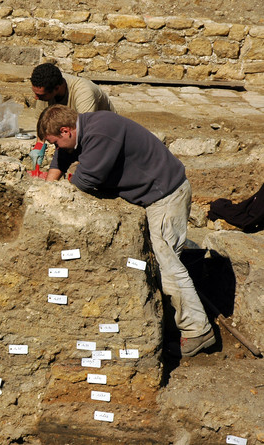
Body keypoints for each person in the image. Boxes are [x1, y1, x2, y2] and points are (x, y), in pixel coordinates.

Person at [37, 104, 216, 357]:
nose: (56, 148)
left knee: (168, 267)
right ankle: (176, 322)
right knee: (163, 265)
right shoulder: (83, 130)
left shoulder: (101, 133)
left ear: (66, 131)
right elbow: (63, 156)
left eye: (55, 141)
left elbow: (86, 180)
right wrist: (49, 185)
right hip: (155, 195)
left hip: (166, 196)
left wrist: (55, 198)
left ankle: (198, 331)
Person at [30, 63, 117, 179]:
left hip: (103, 134)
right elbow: (43, 125)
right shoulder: (45, 89)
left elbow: (86, 132)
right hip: (72, 131)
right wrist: (39, 147)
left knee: (78, 170)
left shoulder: (84, 93)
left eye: (40, 95)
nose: (36, 98)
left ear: (56, 88)